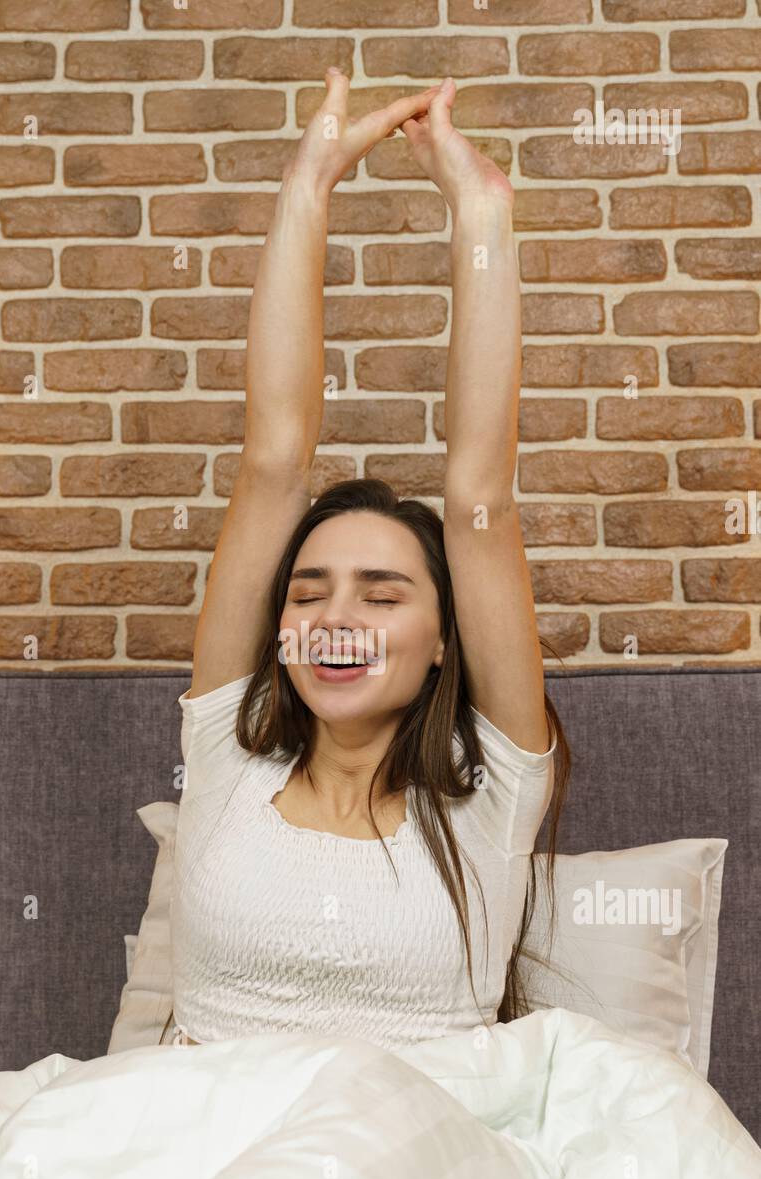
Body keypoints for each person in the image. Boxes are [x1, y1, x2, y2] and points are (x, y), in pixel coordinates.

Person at [166, 72, 570, 1051]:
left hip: (404, 1168)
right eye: (309, 591)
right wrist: (307, 190)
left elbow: (480, 500)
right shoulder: (229, 761)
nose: (335, 614)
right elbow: (272, 464)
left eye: (382, 593)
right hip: (193, 1154)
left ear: (442, 640)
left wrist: (480, 213)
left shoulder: (490, 792)